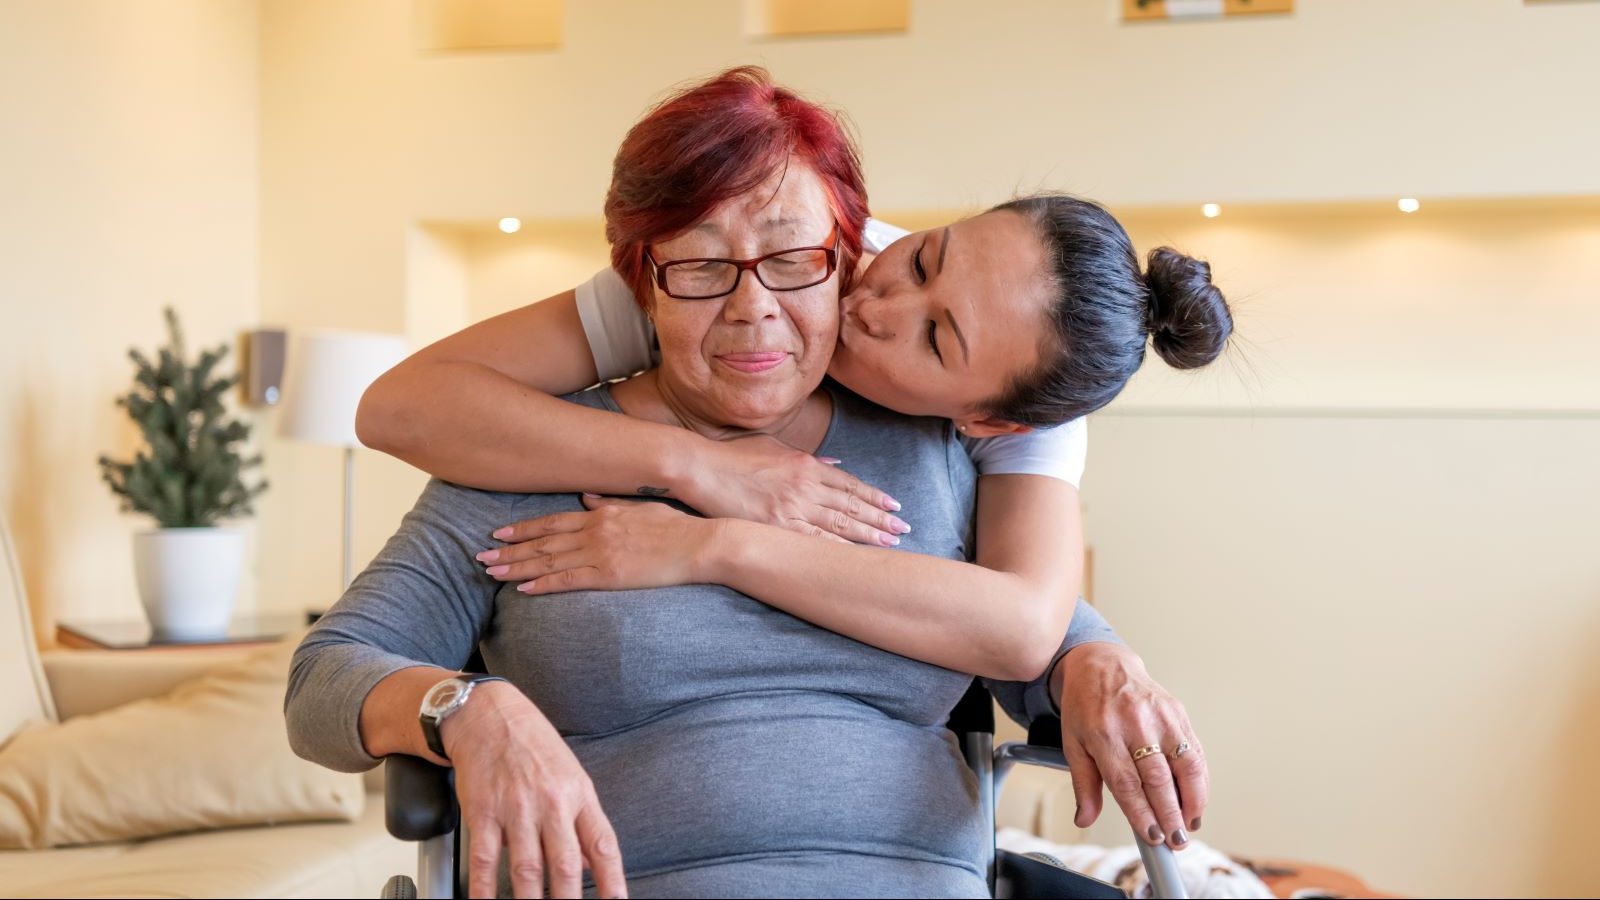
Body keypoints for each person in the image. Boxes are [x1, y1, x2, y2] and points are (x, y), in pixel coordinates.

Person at [351, 66, 1229, 885]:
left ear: (983, 415)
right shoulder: (535, 429)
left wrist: (1098, 657)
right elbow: (387, 454)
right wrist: (464, 707)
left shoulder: (967, 441)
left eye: (935, 339)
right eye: (918, 261)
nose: (760, 304)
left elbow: (1029, 621)